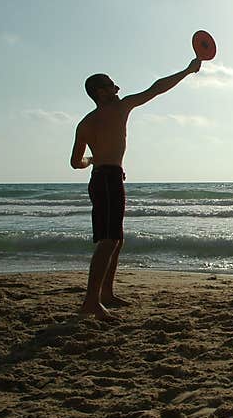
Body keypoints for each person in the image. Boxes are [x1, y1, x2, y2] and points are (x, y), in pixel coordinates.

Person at [70, 58, 202, 320]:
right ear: (100, 92)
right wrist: (187, 71)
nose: (117, 89)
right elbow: (156, 89)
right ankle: (91, 302)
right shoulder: (118, 109)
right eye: (111, 86)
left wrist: (94, 160)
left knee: (116, 240)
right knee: (108, 242)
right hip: (108, 181)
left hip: (103, 178)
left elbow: (76, 163)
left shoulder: (85, 123)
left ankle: (106, 294)